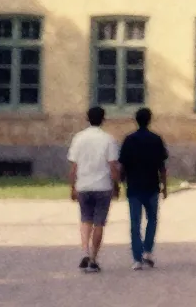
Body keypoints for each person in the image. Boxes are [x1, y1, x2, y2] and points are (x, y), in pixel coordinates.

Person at [68, 106, 121, 272]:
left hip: (83, 185)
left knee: (85, 220)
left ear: (87, 118)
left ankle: (84, 252)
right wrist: (116, 185)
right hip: (103, 186)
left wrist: (73, 186)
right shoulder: (108, 139)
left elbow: (74, 166)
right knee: (99, 223)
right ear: (103, 119)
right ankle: (93, 258)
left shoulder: (78, 138)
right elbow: (113, 166)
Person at [118, 107, 169, 271]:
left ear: (136, 120)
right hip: (152, 185)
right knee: (152, 220)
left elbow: (122, 165)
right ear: (149, 120)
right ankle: (147, 250)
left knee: (135, 223)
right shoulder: (156, 139)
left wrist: (120, 181)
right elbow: (162, 166)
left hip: (134, 186)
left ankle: (137, 258)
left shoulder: (129, 140)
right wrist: (165, 186)